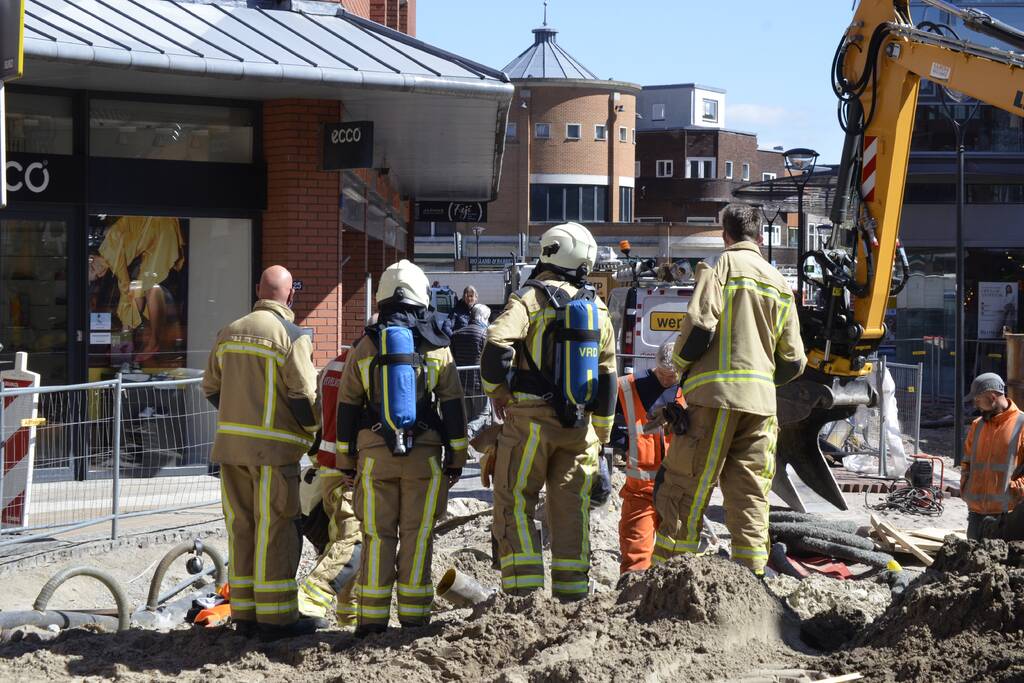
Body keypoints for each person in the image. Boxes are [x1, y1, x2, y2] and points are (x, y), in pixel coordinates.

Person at [656, 204, 806, 575]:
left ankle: (668, 583)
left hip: (714, 399)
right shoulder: (779, 282)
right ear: (759, 236)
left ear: (725, 234)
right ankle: (751, 589)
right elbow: (794, 359)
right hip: (761, 409)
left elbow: (699, 327)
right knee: (750, 499)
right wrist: (764, 384)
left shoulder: (719, 268)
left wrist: (681, 368)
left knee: (685, 489)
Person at [480, 222, 617, 601]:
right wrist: (601, 437)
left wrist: (500, 392)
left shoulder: (530, 299)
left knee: (515, 502)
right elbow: (608, 379)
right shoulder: (598, 309)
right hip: (580, 430)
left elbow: (495, 345)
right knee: (570, 510)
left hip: (529, 425)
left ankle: (525, 598)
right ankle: (572, 596)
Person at [334, 260, 468, 637]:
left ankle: (372, 620)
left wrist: (346, 461)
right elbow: (454, 408)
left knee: (378, 536)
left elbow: (347, 408)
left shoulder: (364, 346)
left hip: (375, 458)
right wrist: (456, 461)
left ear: (381, 299)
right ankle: (412, 619)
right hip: (424, 459)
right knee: (417, 535)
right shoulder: (437, 348)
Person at [202, 265, 320, 640]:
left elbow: (210, 388)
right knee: (276, 530)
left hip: (231, 452)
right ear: (289, 296)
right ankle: (278, 619)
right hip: (273, 454)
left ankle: (246, 614)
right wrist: (313, 434)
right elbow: (304, 398)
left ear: (258, 290)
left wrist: (240, 417)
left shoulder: (229, 332)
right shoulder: (292, 336)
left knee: (242, 529)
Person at [296, 322, 376, 628]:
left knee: (344, 548)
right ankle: (309, 599)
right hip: (348, 474)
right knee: (351, 543)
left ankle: (348, 620)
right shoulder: (363, 370)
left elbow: (317, 420)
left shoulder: (332, 367)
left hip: (327, 472)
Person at [613, 340, 686, 576]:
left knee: (675, 562)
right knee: (636, 559)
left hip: (677, 491)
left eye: (672, 376)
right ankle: (632, 600)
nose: (667, 381)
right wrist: (622, 443)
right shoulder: (626, 387)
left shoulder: (689, 392)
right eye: (664, 375)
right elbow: (601, 418)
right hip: (640, 492)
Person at [962, 372, 1024, 540]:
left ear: (992, 396)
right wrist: (965, 486)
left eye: (977, 398)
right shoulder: (977, 425)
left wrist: (1017, 488)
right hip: (976, 513)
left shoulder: (1021, 425)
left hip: (1005, 515)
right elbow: (967, 459)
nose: (975, 403)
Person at [452, 304, 491, 439]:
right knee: (484, 414)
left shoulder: (457, 334)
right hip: (479, 383)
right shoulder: (484, 334)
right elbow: (488, 358)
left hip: (461, 381)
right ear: (484, 318)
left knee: (466, 416)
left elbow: (453, 357)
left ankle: (466, 447)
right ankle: (469, 432)